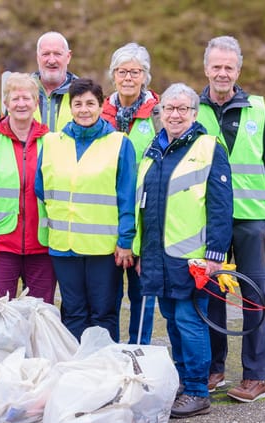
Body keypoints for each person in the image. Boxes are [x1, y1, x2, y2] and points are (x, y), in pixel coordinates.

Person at [133, 82, 233, 418]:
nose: (174, 115)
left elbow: (221, 207)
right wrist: (140, 252)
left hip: (193, 258)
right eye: (169, 109)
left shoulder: (208, 147)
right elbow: (146, 206)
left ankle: (196, 389)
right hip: (158, 256)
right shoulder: (154, 149)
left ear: (194, 113)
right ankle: (182, 381)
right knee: (173, 320)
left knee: (191, 321)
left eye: (182, 109)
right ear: (160, 114)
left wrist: (215, 256)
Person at [198, 36, 265, 403]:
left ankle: (256, 376)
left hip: (251, 219)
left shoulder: (257, 109)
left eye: (228, 67)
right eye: (216, 66)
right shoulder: (192, 109)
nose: (222, 73)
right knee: (211, 293)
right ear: (206, 68)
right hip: (207, 221)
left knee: (253, 297)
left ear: (238, 70)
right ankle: (213, 369)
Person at [35, 78, 137, 342]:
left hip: (103, 248)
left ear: (102, 105)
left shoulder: (119, 144)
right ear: (70, 107)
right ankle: (76, 371)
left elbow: (127, 197)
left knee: (102, 314)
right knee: (73, 312)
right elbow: (40, 188)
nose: (84, 110)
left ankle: (103, 369)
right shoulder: (52, 142)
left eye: (90, 103)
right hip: (63, 245)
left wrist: (126, 240)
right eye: (77, 104)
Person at [0, 73, 55, 302]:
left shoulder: (52, 143)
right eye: (15, 99)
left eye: (27, 98)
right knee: (1, 316)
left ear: (37, 103)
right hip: (1, 246)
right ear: (5, 103)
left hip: (42, 245)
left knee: (40, 316)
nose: (21, 104)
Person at [100, 42, 160, 345]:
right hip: (109, 218)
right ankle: (109, 358)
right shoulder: (99, 113)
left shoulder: (160, 116)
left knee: (142, 297)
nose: (128, 77)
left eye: (135, 72)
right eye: (122, 71)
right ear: (113, 75)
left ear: (145, 76)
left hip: (147, 220)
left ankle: (140, 355)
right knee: (107, 299)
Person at [32, 31, 78, 132]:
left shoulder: (84, 93)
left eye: (57, 54)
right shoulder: (20, 92)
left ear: (68, 57)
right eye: (46, 54)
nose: (52, 60)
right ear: (37, 57)